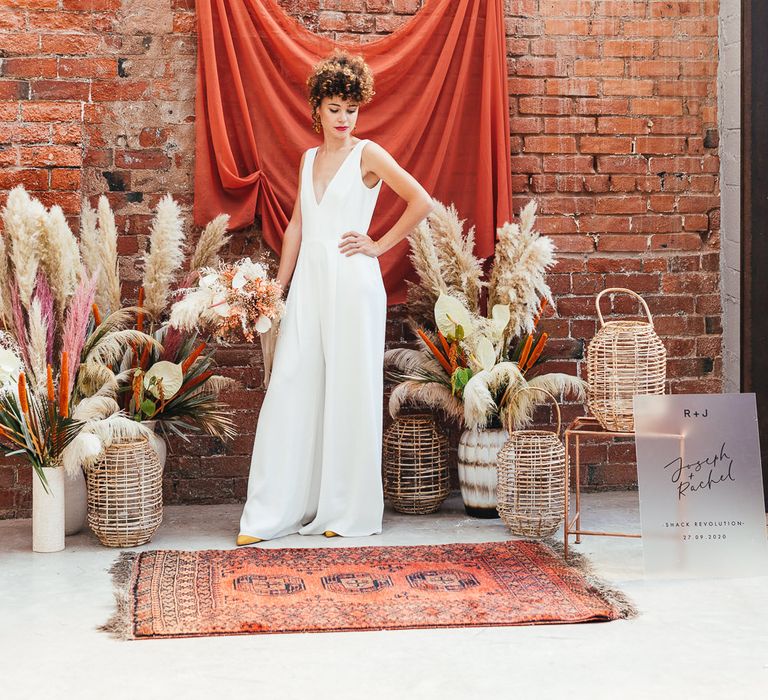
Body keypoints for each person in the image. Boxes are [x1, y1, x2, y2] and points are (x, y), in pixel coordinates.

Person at [237, 51, 434, 545]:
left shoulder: (367, 155)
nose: (344, 118)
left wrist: (377, 245)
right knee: (292, 383)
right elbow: (299, 225)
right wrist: (277, 289)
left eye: (351, 108)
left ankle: (347, 511)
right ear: (317, 110)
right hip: (308, 283)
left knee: (350, 390)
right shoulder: (307, 159)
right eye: (334, 108)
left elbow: (421, 200)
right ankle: (273, 512)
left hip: (351, 282)